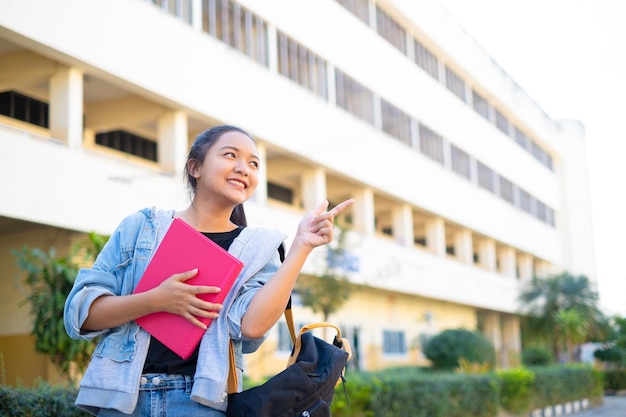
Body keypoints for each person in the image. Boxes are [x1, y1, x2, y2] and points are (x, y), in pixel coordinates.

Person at [64, 125, 354, 416]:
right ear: (195, 167)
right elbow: (80, 314)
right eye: (231, 155)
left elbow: (252, 327)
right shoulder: (142, 228)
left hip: (199, 404)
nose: (244, 168)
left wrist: (301, 246)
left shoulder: (257, 250)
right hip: (123, 400)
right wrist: (156, 300)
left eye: (253, 163)